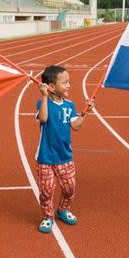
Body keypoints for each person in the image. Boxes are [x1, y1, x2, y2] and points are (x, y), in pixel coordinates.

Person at [35, 65, 94, 233]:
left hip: (65, 157)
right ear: (51, 87)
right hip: (46, 158)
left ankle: (62, 209)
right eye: (65, 82)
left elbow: (76, 126)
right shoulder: (42, 103)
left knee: (69, 189)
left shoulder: (70, 105)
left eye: (69, 82)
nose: (69, 85)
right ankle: (47, 216)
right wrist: (44, 96)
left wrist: (86, 112)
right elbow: (44, 118)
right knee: (47, 191)